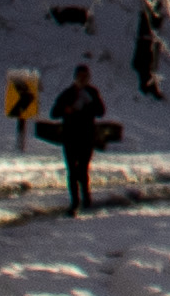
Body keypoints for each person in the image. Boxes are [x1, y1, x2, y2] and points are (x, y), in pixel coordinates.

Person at [47, 60, 121, 214]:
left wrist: (89, 105)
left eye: (85, 76)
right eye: (80, 76)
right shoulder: (68, 93)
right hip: (70, 137)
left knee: (82, 169)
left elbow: (101, 111)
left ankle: (86, 198)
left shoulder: (92, 93)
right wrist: (67, 109)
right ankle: (75, 202)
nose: (83, 79)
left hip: (87, 137)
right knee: (72, 171)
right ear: (75, 77)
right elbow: (54, 113)